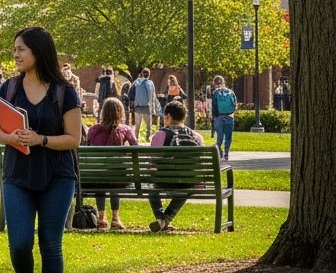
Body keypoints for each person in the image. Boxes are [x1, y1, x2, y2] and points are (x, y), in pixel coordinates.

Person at [0, 26, 83, 273]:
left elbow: (73, 139)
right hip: (18, 175)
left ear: (39, 52)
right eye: (14, 49)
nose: (15, 54)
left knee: (50, 244)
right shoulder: (9, 89)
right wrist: (11, 138)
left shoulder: (64, 91)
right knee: (19, 243)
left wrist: (40, 139)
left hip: (57, 176)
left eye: (21, 49)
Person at [147, 100, 205, 231]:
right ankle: (164, 220)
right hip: (190, 181)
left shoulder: (160, 135)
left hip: (164, 181)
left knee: (149, 186)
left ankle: (162, 219)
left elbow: (151, 162)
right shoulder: (196, 136)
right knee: (185, 187)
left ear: (168, 116)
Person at [86, 97, 137, 229]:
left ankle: (101, 217)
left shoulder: (93, 130)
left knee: (101, 177)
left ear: (103, 112)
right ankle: (115, 218)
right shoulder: (125, 130)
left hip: (96, 177)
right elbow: (135, 148)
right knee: (116, 175)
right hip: (117, 178)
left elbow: (87, 147)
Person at [210, 74, 237, 161]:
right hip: (230, 117)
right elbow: (235, 105)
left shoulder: (215, 93)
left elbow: (213, 107)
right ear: (224, 82)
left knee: (220, 137)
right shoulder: (231, 92)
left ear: (214, 83)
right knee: (228, 137)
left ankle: (219, 151)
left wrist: (213, 118)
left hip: (219, 117)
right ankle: (226, 154)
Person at [131, 68, 158, 142]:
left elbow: (131, 91)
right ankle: (147, 137)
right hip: (146, 106)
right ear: (149, 74)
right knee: (149, 124)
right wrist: (153, 108)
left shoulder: (137, 81)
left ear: (142, 74)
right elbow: (152, 96)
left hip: (138, 106)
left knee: (137, 124)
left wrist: (133, 102)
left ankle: (136, 138)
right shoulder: (150, 83)